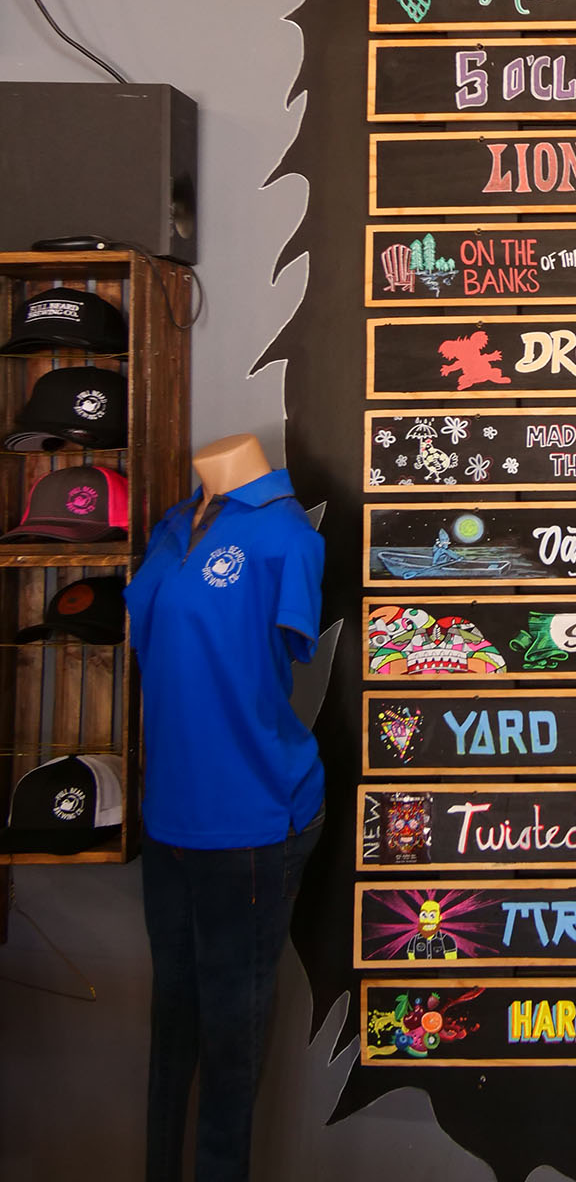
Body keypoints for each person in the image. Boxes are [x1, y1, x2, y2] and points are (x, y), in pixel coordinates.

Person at [124, 434, 325, 1182]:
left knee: (231, 1047)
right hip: (170, 812)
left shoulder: (283, 536)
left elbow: (283, 657)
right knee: (170, 1024)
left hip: (251, 816)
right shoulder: (173, 526)